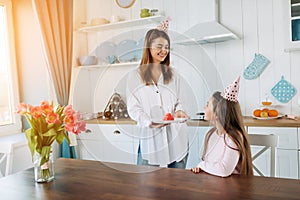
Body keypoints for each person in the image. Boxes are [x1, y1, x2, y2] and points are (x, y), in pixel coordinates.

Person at [126, 18, 189, 168]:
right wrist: (148, 121)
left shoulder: (173, 74)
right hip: (150, 138)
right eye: (159, 46)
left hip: (176, 138)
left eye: (167, 47)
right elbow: (133, 108)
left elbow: (181, 99)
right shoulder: (135, 76)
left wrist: (179, 111)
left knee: (177, 185)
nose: (164, 51)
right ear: (148, 47)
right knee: (147, 186)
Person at [191, 76, 253, 177]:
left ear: (217, 114)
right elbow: (210, 163)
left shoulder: (233, 137)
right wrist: (202, 168)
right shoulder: (211, 134)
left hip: (233, 188)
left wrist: (202, 165)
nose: (204, 107)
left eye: (207, 105)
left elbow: (224, 170)